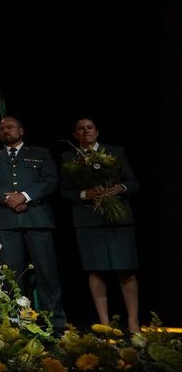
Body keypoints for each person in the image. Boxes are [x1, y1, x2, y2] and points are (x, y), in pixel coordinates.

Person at [0, 116, 66, 330]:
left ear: (21, 130)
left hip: (37, 219)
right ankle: (14, 320)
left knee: (46, 272)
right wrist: (7, 198)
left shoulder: (40, 153)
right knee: (11, 274)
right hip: (6, 221)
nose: (5, 131)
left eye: (9, 127)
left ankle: (53, 320)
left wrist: (25, 196)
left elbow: (51, 181)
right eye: (1, 128)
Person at [61, 118, 140, 332]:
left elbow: (134, 183)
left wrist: (120, 188)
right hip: (88, 221)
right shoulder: (70, 157)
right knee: (96, 271)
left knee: (126, 270)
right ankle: (105, 323)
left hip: (118, 219)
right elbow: (64, 192)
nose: (86, 131)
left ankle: (133, 322)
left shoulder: (115, 151)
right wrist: (86, 193)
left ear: (97, 132)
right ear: (75, 135)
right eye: (80, 129)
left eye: (90, 128)